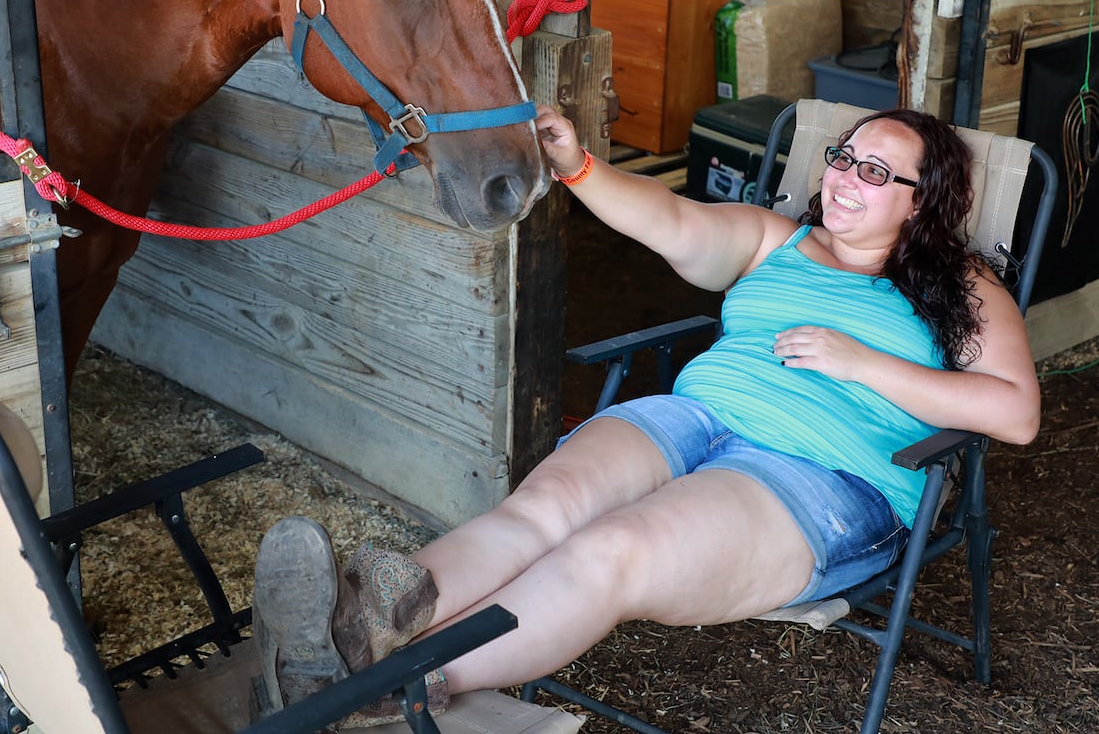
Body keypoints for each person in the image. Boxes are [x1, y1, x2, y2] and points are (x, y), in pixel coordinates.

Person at [251, 103, 1041, 727]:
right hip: (692, 417)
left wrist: (861, 363)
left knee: (611, 553)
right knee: (541, 511)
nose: (843, 178)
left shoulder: (962, 287)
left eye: (875, 172)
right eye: (842, 157)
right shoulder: (776, 237)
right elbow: (674, 222)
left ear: (920, 201)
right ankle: (350, 635)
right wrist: (578, 166)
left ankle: (379, 688)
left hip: (819, 478)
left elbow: (1014, 413)